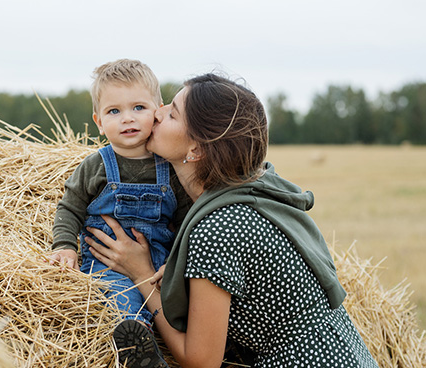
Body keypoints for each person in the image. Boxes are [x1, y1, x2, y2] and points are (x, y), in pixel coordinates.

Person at [85, 73, 379, 367]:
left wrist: (142, 275)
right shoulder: (252, 192)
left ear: (196, 149)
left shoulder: (217, 228)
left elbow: (201, 362)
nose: (156, 113)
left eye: (171, 113)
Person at [49, 59, 191, 338]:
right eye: (114, 111)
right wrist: (64, 245)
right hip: (108, 263)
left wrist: (174, 264)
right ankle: (135, 336)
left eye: (138, 107)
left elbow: (187, 221)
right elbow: (70, 206)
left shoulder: (171, 167)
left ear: (158, 111)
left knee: (182, 303)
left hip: (160, 264)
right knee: (120, 297)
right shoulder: (96, 165)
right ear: (99, 122)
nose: (128, 118)